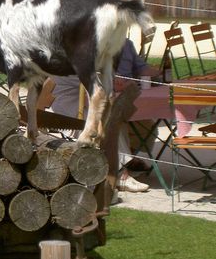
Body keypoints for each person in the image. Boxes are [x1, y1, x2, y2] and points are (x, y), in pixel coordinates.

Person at [49, 38, 159, 193]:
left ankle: (124, 162)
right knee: (107, 121)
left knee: (126, 119)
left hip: (87, 100)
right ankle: (120, 174)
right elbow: (87, 82)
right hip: (69, 106)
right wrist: (113, 83)